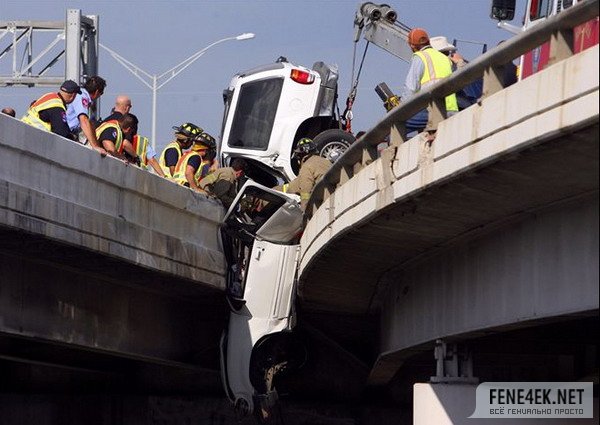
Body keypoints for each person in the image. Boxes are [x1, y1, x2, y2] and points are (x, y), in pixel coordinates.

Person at [401, 28, 458, 135]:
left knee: (395, 126)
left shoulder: (420, 57)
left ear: (412, 46)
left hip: (431, 110)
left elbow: (411, 88)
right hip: (451, 109)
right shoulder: (446, 59)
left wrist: (401, 110)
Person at [277, 138, 331, 211]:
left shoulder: (307, 166)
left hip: (323, 201)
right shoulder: (326, 162)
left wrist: (305, 211)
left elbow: (306, 189)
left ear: (300, 155)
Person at [430, 36, 483, 110]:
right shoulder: (443, 69)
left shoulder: (429, 68)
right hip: (453, 108)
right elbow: (462, 80)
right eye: (447, 53)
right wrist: (460, 62)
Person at [66, 75, 107, 156]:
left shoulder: (80, 94)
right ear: (97, 92)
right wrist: (95, 146)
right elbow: (83, 119)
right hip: (68, 132)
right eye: (101, 93)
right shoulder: (82, 97)